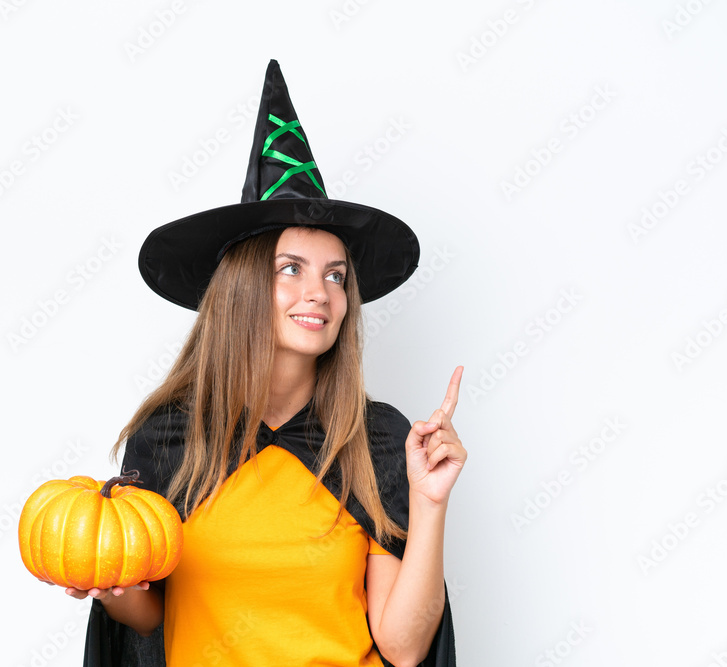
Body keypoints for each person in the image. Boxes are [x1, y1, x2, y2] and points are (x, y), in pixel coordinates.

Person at [65, 60, 467, 666]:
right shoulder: (168, 437)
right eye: (291, 269)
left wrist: (429, 501)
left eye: (336, 275)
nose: (320, 293)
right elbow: (152, 619)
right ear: (243, 288)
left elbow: (404, 648)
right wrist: (107, 582)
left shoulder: (376, 438)